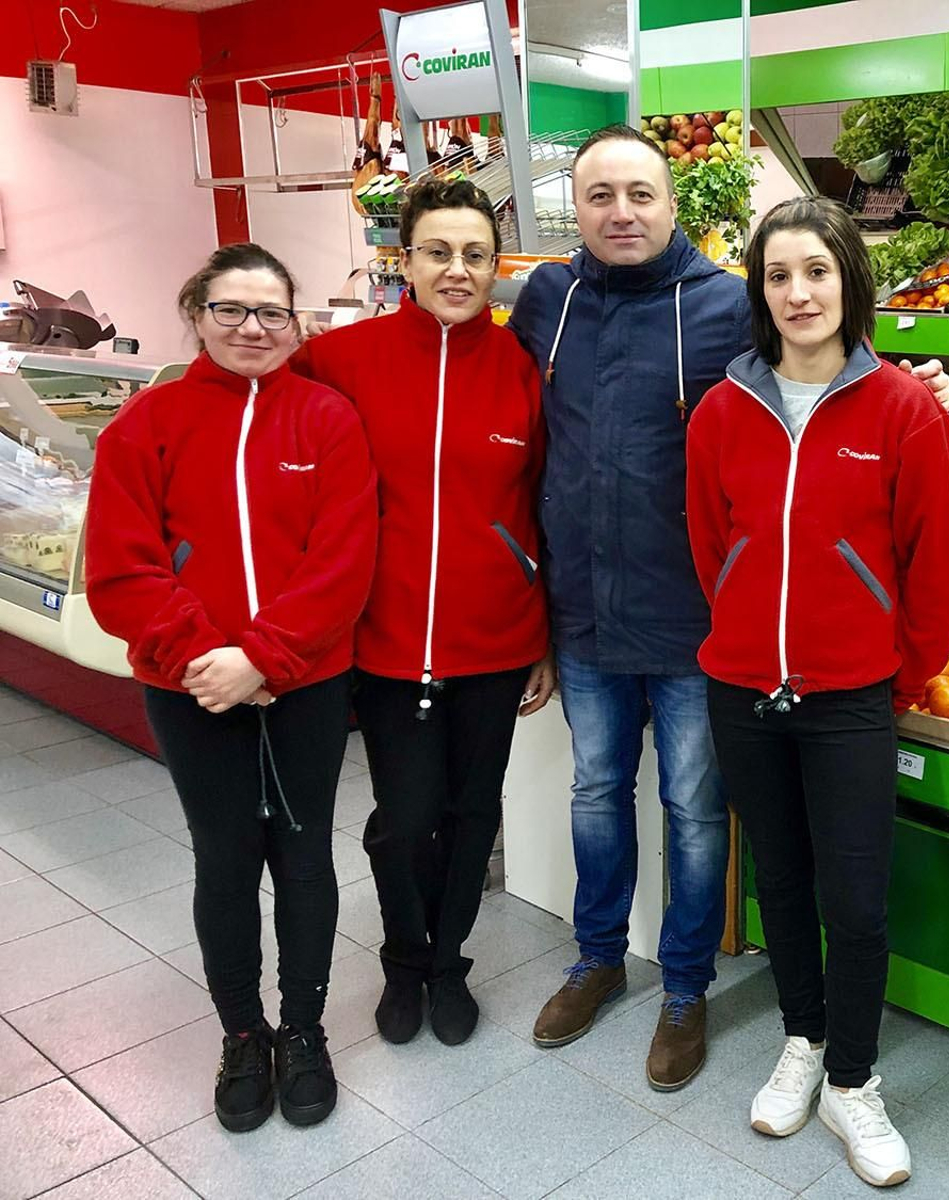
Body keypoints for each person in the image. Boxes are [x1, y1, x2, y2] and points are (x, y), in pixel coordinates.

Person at [508, 124, 949, 1092]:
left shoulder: (720, 304)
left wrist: (917, 387)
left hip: (700, 636)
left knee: (696, 812)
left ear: (674, 204)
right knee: (596, 793)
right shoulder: (547, 298)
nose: (621, 212)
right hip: (592, 611)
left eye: (640, 193)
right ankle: (595, 960)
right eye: (599, 195)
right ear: (572, 209)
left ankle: (684, 988)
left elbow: (840, 388)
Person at [685, 196, 949, 1187]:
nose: (797, 292)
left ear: (849, 280)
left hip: (851, 695)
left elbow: (932, 567)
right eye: (776, 275)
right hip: (745, 688)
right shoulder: (722, 411)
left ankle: (852, 1080)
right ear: (758, 292)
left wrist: (898, 672)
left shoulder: (903, 409)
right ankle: (801, 1039)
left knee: (856, 898)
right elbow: (711, 545)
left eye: (816, 271)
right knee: (784, 881)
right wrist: (750, 636)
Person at [85, 244, 378, 1132]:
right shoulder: (145, 425)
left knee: (302, 855)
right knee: (225, 858)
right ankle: (243, 1034)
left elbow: (343, 560)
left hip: (309, 684)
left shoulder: (327, 419)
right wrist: (208, 658)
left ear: (296, 323)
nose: (253, 328)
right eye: (231, 311)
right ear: (197, 313)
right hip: (190, 689)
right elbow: (122, 571)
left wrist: (266, 658)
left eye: (271, 313)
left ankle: (305, 1030)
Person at [293, 178, 554, 1048]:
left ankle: (447, 964)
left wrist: (544, 634)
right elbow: (260, 426)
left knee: (473, 816)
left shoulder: (522, 371)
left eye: (475, 254)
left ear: (494, 266)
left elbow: (543, 506)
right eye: (438, 252)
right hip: (383, 638)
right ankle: (403, 958)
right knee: (403, 820)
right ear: (405, 260)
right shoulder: (342, 360)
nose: (457, 269)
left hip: (495, 639)